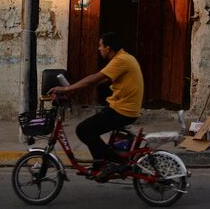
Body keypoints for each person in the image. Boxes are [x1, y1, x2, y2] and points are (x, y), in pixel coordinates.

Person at [49, 31, 144, 181]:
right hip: (123, 107)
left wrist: (66, 89)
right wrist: (74, 90)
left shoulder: (121, 60)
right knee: (90, 129)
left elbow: (94, 79)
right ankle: (100, 165)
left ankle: (116, 162)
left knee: (84, 130)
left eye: (100, 46)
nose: (99, 49)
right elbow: (96, 82)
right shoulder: (123, 58)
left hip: (123, 110)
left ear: (108, 48)